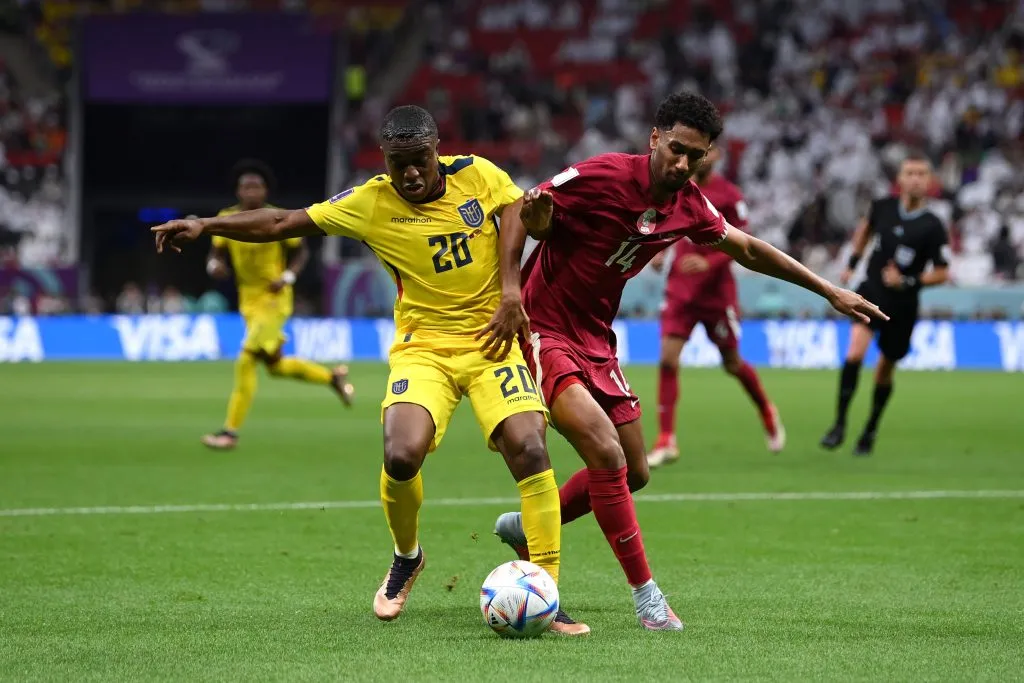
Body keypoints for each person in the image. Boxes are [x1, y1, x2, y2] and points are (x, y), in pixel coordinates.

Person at [153, 106, 586, 635]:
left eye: (419, 161)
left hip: (491, 341)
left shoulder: (477, 172)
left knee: (531, 449)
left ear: (436, 152)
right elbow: (282, 220)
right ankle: (407, 556)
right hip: (422, 347)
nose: (409, 174)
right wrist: (205, 224)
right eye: (398, 163)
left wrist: (512, 288)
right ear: (385, 160)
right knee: (401, 455)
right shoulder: (370, 200)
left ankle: (547, 590)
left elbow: (517, 208)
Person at [481, 91, 885, 630]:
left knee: (636, 471)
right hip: (543, 327)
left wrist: (828, 289)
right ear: (654, 138)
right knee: (604, 452)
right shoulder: (601, 176)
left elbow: (748, 248)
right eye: (675, 149)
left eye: (695, 156)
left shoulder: (690, 203)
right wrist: (512, 288)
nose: (682, 163)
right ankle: (648, 599)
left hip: (597, 339)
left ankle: (535, 523)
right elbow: (520, 211)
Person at [200, 160, 355, 451]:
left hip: (274, 299)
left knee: (246, 359)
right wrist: (213, 267)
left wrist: (288, 276)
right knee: (275, 366)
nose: (251, 191)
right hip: (249, 301)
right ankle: (332, 377)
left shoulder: (275, 218)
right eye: (245, 186)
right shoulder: (227, 218)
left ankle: (229, 433)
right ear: (238, 191)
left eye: (256, 186)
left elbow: (300, 253)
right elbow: (215, 255)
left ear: (265, 190)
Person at [647, 145, 783, 468]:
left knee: (732, 363)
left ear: (716, 155)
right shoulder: (675, 187)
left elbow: (744, 244)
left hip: (716, 296)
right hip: (681, 291)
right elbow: (665, 223)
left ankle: (766, 408)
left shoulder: (729, 196)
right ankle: (667, 439)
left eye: (704, 152)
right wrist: (658, 251)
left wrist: (708, 263)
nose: (698, 159)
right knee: (667, 359)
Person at [821, 153, 949, 456]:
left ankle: (870, 429)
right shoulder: (882, 207)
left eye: (922, 173)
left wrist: (908, 281)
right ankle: (839, 424)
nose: (916, 178)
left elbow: (943, 272)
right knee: (854, 353)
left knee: (884, 370)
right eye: (910, 172)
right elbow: (864, 232)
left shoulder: (933, 226)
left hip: (902, 306)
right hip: (871, 292)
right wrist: (852, 263)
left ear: (930, 182)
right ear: (900, 180)